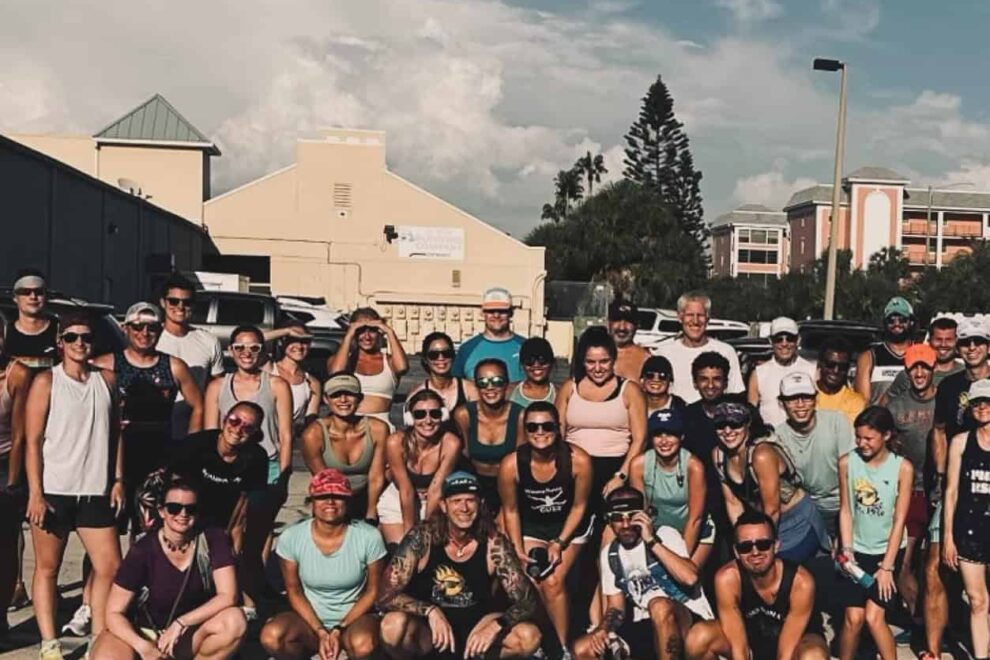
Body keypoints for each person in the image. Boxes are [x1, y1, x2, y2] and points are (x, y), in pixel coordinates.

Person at [24, 313, 124, 659]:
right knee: (48, 568)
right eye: (71, 338)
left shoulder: (107, 380)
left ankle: (98, 635)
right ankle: (49, 643)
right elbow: (33, 441)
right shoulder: (46, 382)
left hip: (95, 489)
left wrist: (117, 479)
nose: (79, 344)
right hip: (54, 490)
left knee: (109, 566)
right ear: (60, 342)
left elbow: (116, 435)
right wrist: (35, 492)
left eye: (85, 337)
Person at [376, 471, 542, 660]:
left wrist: (496, 625)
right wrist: (430, 611)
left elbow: (527, 601)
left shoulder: (493, 543)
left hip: (476, 632)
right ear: (444, 506)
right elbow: (384, 595)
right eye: (456, 501)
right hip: (430, 633)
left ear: (480, 504)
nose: (464, 507)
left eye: (470, 500)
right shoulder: (422, 538)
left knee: (529, 636)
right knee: (392, 626)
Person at [89, 479, 246, 660]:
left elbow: (228, 596)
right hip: (143, 632)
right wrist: (144, 647)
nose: (183, 514)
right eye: (174, 508)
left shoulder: (213, 539)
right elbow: (113, 612)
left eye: (190, 509)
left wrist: (181, 623)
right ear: (162, 511)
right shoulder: (143, 550)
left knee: (234, 621)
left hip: (187, 632)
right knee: (107, 656)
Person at [91, 302, 203, 533]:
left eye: (151, 328)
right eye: (138, 327)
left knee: (150, 530)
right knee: (104, 532)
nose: (144, 333)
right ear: (125, 328)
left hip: (157, 455)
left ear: (160, 330)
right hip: (114, 456)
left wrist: (188, 448)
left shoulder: (173, 366)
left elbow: (198, 406)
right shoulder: (105, 364)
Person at [203, 324, 292, 611]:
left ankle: (251, 600)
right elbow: (209, 431)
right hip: (228, 467)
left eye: (254, 347)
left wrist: (284, 473)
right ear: (230, 351)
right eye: (240, 347)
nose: (246, 353)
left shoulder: (276, 384)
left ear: (263, 351)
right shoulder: (218, 385)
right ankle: (224, 594)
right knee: (226, 533)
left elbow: (286, 434)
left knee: (255, 535)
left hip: (266, 466)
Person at [573, 486, 712, 660]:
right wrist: (603, 629)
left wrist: (651, 541)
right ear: (609, 521)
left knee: (659, 605)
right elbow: (616, 607)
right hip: (646, 623)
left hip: (686, 619)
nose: (625, 525)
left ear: (644, 516)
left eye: (632, 517)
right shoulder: (611, 553)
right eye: (618, 518)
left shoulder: (664, 535)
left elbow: (690, 578)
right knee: (582, 648)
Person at [261, 469, 386, 660]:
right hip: (309, 621)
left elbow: (372, 591)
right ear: (312, 502)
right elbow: (294, 591)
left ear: (347, 501)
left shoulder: (368, 536)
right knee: (272, 637)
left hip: (353, 619)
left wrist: (339, 628)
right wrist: (319, 630)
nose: (330, 502)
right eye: (322, 496)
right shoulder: (291, 537)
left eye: (338, 496)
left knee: (364, 645)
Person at [498, 401, 593, 648]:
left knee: (552, 581)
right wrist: (517, 549)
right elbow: (510, 509)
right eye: (533, 427)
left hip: (569, 526)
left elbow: (579, 507)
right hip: (533, 525)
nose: (540, 433)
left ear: (558, 428)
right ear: (526, 431)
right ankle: (542, 638)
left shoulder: (578, 460)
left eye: (547, 426)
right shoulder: (512, 464)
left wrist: (560, 542)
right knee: (532, 578)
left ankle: (562, 646)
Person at [924, 317, 990, 660]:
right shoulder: (949, 386)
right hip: (956, 484)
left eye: (978, 342)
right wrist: (940, 475)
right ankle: (933, 649)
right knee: (936, 563)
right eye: (966, 343)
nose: (972, 348)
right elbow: (938, 430)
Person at [685, 510, 828, 660]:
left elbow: (785, 654)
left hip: (796, 645)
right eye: (745, 547)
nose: (755, 552)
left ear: (776, 546)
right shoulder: (727, 579)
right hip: (749, 642)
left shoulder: (800, 582)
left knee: (813, 656)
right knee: (698, 638)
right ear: (736, 551)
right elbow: (738, 648)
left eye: (763, 544)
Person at [836, 406, 912, 660]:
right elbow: (846, 510)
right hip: (856, 548)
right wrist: (847, 551)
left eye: (869, 438)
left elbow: (899, 519)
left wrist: (888, 566)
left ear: (886, 435)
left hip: (886, 551)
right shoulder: (847, 462)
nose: (862, 443)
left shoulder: (902, 468)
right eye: (858, 437)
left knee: (873, 617)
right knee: (852, 618)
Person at [711, 401, 828, 564]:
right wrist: (743, 538)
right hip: (761, 525)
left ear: (747, 424)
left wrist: (761, 544)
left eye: (735, 424)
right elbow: (732, 502)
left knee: (781, 573)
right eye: (721, 425)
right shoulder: (718, 456)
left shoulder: (761, 454)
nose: (728, 431)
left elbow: (772, 509)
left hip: (795, 521)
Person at [556, 327, 647, 511]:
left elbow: (640, 439)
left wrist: (620, 476)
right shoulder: (569, 388)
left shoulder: (630, 390)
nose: (598, 369)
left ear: (614, 359)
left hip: (615, 467)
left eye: (604, 361)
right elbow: (557, 433)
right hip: (574, 468)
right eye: (591, 362)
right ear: (583, 362)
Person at [883, 343, 938, 616]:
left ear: (933, 368)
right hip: (908, 491)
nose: (919, 372)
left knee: (936, 562)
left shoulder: (944, 400)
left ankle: (941, 618)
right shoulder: (895, 405)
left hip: (939, 491)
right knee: (903, 560)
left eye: (924, 367)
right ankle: (919, 619)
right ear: (906, 370)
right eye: (914, 367)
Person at [942, 379, 990, 660]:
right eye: (977, 403)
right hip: (969, 530)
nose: (982, 407)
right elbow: (951, 492)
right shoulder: (960, 442)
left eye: (987, 401)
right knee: (977, 600)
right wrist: (948, 536)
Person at [167, 401, 269, 532]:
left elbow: (242, 507)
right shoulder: (195, 445)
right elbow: (174, 490)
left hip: (223, 520)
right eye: (234, 421)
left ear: (255, 433)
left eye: (247, 428)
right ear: (224, 420)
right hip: (187, 514)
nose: (238, 430)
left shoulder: (256, 457)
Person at [774, 371, 854, 536]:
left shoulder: (837, 421)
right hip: (804, 510)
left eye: (807, 397)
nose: (800, 404)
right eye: (792, 399)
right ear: (782, 403)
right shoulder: (777, 436)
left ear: (815, 399)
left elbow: (852, 471)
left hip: (844, 506)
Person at [630, 407, 713, 568]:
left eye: (670, 434)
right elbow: (641, 513)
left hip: (693, 530)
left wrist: (682, 558)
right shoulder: (638, 465)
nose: (664, 441)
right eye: (658, 434)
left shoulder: (694, 466)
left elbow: (695, 519)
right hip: (657, 532)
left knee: (686, 578)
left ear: (681, 436)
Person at [300, 373, 388, 523]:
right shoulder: (313, 434)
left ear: (359, 398)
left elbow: (376, 476)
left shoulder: (378, 429)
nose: (343, 400)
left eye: (349, 394)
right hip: (332, 497)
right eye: (336, 395)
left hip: (369, 495)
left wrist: (371, 513)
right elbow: (324, 480)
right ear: (326, 400)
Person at [379, 390, 461, 545]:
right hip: (399, 498)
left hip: (434, 501)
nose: (428, 420)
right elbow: (406, 489)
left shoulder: (450, 443)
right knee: (402, 549)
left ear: (443, 416)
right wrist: (410, 536)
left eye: (435, 414)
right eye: (420, 414)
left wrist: (426, 531)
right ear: (410, 418)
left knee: (431, 547)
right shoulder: (396, 442)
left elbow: (435, 490)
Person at [156, 272, 225, 441]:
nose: (180, 307)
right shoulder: (151, 338)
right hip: (156, 428)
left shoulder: (209, 341)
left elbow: (217, 389)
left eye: (187, 302)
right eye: (173, 301)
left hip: (194, 427)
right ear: (163, 303)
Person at [453, 359, 524, 515]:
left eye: (497, 381)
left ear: (507, 384)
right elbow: (463, 455)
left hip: (509, 485)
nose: (490, 387)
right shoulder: (463, 415)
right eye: (483, 382)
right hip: (475, 483)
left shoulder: (520, 415)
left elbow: (520, 462)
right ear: (476, 386)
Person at [654, 291, 744, 404]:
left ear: (707, 318)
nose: (695, 321)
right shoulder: (663, 353)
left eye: (700, 315)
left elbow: (735, 394)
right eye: (690, 315)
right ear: (680, 317)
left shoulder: (726, 351)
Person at [328, 307, 408, 429]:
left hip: (382, 428)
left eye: (372, 330)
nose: (367, 336)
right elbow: (336, 372)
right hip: (348, 428)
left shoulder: (389, 361)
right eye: (361, 330)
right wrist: (349, 334)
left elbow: (402, 367)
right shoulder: (344, 361)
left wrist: (389, 332)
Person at [0, 326, 31, 619]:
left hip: (5, 462)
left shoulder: (16, 373)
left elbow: (21, 436)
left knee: (5, 547)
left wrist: (12, 484)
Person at [747, 317, 816, 427]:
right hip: (771, 439)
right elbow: (751, 415)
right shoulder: (758, 374)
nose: (784, 344)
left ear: (798, 340)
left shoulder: (812, 371)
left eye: (790, 338)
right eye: (778, 339)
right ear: (770, 341)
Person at [453, 287, 527, 383]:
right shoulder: (467, 349)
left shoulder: (525, 346)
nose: (496, 315)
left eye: (502, 311)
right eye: (491, 311)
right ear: (483, 313)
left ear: (511, 313)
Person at [882, 316, 960, 403]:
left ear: (956, 341)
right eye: (938, 339)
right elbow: (883, 408)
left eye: (949, 340)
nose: (943, 344)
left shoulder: (965, 373)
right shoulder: (910, 374)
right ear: (929, 340)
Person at [855, 296, 916, 404]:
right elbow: (862, 403)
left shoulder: (921, 354)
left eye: (902, 319)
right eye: (891, 320)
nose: (896, 324)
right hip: (880, 419)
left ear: (911, 322)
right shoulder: (869, 357)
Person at [270, 318, 321, 435]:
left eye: (304, 341)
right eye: (293, 340)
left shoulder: (312, 382)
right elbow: (250, 342)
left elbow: (310, 422)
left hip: (286, 441)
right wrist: (286, 331)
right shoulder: (269, 369)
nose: (299, 346)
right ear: (281, 342)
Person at [407, 332, 475, 411]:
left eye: (446, 353)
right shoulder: (416, 394)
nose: (441, 358)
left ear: (453, 356)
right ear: (425, 359)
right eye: (434, 355)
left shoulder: (470, 390)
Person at [6, 269, 57, 369]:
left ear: (46, 296)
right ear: (15, 297)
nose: (33, 297)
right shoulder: (5, 333)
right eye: (25, 292)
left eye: (39, 292)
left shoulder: (61, 332)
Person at [815, 337, 866, 425]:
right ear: (819, 364)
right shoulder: (805, 396)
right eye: (830, 364)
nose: (836, 371)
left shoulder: (856, 402)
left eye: (842, 367)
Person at [607, 298, 650, 383]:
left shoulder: (646, 359)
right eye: (617, 320)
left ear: (637, 325)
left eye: (628, 321)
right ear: (608, 323)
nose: (622, 327)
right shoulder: (593, 357)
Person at [508, 337, 556, 407]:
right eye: (529, 360)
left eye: (542, 360)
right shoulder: (509, 391)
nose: (536, 365)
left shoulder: (559, 394)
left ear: (552, 362)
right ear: (522, 364)